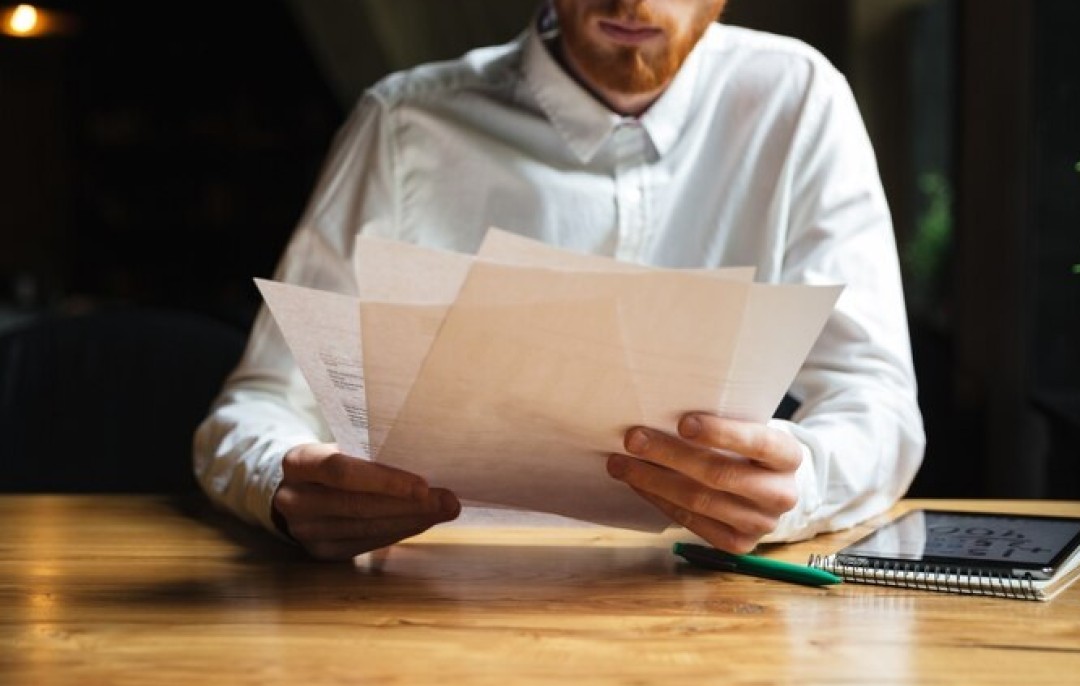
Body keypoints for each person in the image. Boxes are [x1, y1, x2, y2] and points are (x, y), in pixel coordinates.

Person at [193, 0, 926, 561]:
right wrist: (283, 487)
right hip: (432, 603)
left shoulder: (798, 102)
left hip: (710, 603)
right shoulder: (404, 125)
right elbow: (257, 406)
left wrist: (800, 486)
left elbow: (878, 400)